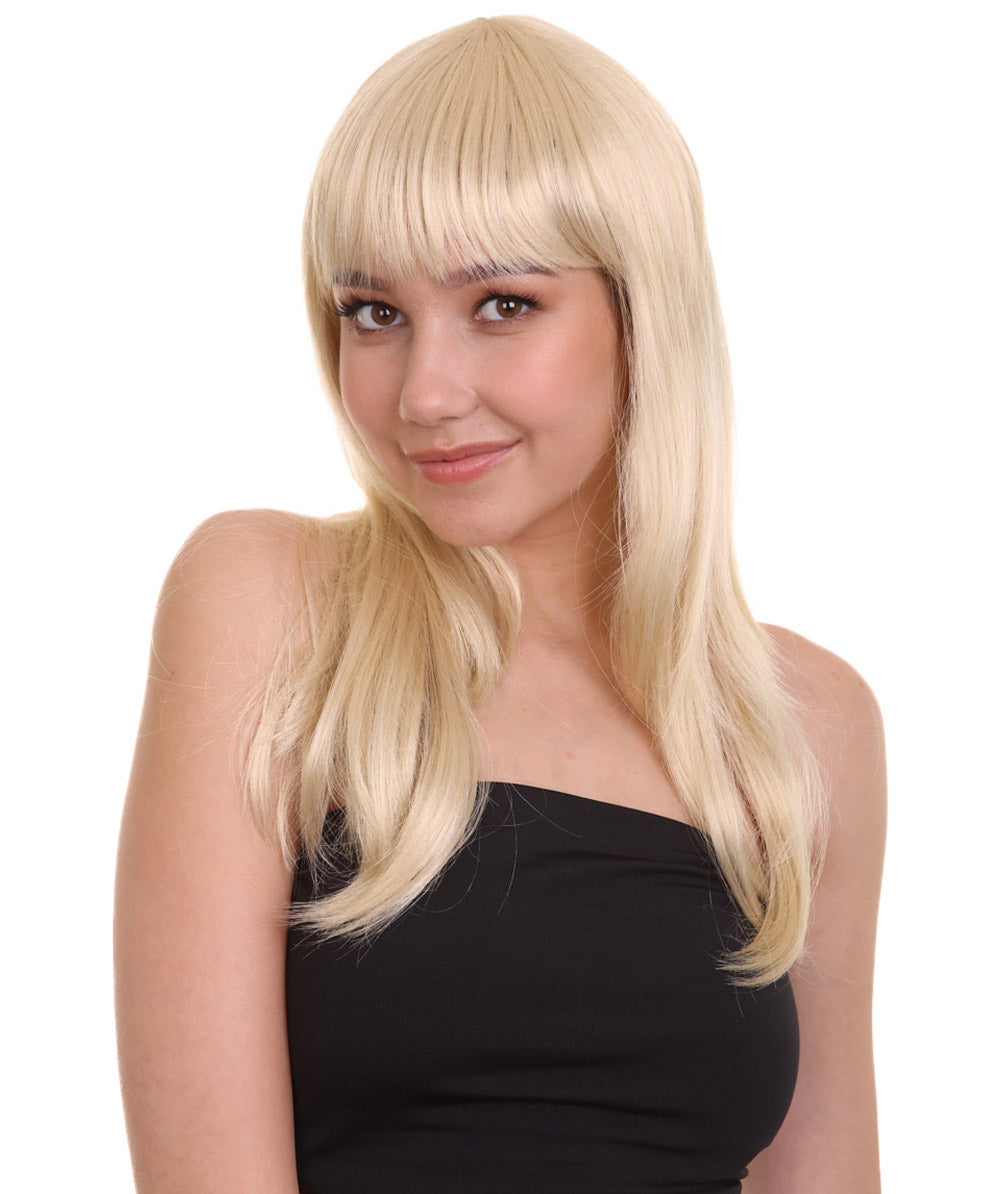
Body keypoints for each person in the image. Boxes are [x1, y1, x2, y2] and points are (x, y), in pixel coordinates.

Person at [114, 16, 886, 1194]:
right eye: (374, 311)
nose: (423, 393)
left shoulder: (801, 725)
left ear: (642, 314)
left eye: (503, 304)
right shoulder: (273, 610)